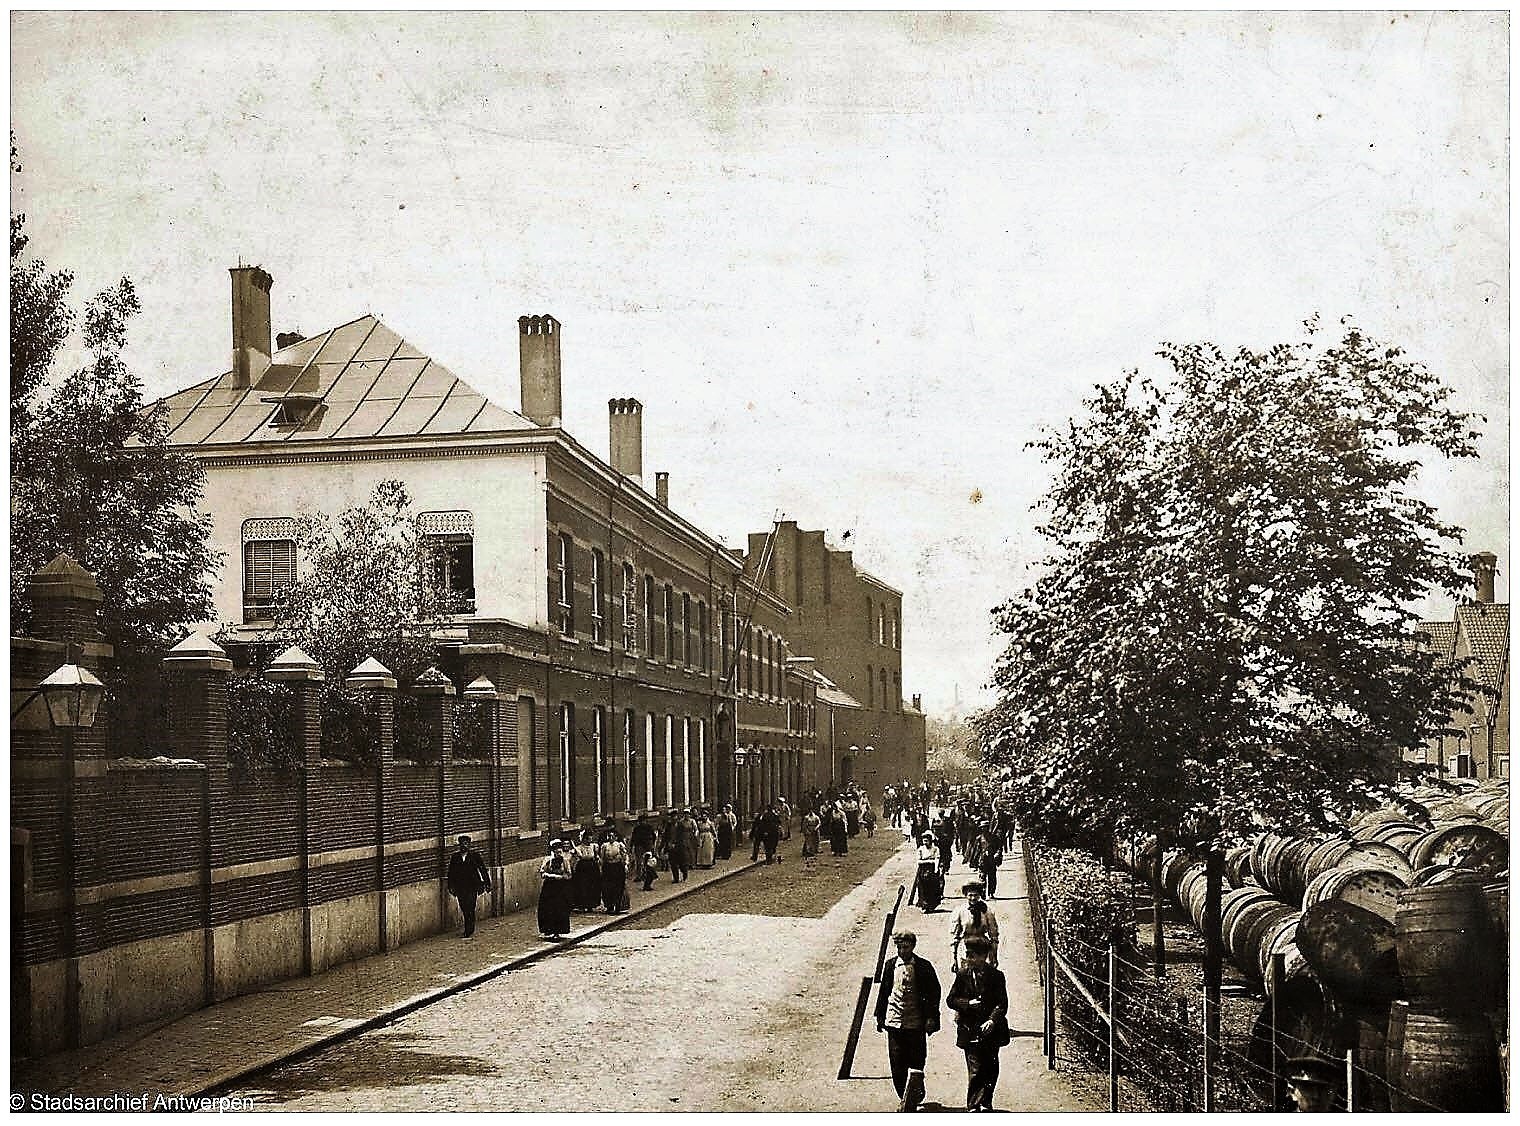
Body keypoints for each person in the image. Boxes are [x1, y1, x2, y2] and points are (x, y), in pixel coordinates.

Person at [874, 931, 942, 1112]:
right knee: (897, 1063)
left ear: (913, 946)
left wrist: (931, 1018)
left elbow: (934, 994)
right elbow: (884, 993)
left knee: (917, 1061)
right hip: (894, 1021)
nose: (902, 951)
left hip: (916, 1023)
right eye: (899, 947)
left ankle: (915, 1094)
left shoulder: (924, 967)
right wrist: (880, 1017)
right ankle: (904, 1099)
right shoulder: (890, 966)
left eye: (906, 947)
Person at [947, 936, 1009, 1111]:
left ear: (983, 956)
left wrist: (992, 1020)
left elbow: (1002, 1003)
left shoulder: (997, 976)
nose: (968, 958)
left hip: (991, 1031)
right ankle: (973, 1106)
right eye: (967, 954)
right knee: (975, 1069)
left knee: (991, 1067)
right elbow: (950, 1000)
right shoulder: (962, 975)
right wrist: (967, 1004)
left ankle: (986, 1101)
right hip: (970, 1029)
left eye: (972, 955)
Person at [445, 834, 491, 938]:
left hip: (472, 887)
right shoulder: (455, 857)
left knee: (471, 906)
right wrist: (450, 886)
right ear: (459, 845)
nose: (464, 846)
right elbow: (451, 873)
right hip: (460, 887)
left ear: (469, 845)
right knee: (464, 907)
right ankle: (468, 927)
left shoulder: (475, 856)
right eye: (462, 844)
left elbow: (482, 869)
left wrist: (487, 883)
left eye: (466, 843)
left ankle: (469, 929)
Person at [948, 882, 1000, 970]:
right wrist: (954, 959)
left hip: (982, 945)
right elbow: (954, 936)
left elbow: (994, 935)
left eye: (976, 895)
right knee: (963, 974)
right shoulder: (960, 911)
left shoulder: (986, 911)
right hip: (965, 946)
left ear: (980, 895)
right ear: (966, 895)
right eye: (970, 895)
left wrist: (994, 955)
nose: (973, 898)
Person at [537, 840, 573, 939]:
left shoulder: (565, 861)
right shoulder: (548, 860)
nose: (558, 853)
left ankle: (558, 931)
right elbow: (542, 873)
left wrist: (561, 877)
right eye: (556, 850)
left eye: (560, 851)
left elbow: (569, 875)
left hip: (560, 887)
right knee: (548, 908)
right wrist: (550, 875)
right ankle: (549, 930)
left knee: (559, 908)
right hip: (549, 887)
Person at [598, 828, 629, 914]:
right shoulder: (605, 846)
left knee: (618, 887)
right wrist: (601, 868)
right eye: (609, 836)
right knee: (608, 888)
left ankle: (618, 906)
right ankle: (609, 906)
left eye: (612, 836)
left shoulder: (619, 845)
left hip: (618, 868)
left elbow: (625, 856)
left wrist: (625, 865)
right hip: (608, 868)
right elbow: (602, 858)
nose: (610, 838)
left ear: (616, 837)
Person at [571, 829, 601, 910]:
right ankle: (583, 904)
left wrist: (597, 859)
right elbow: (580, 856)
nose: (589, 841)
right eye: (588, 839)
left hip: (592, 867)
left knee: (592, 886)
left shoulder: (594, 846)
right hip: (583, 868)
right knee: (583, 886)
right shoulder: (579, 847)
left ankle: (591, 904)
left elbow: (596, 856)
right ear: (584, 839)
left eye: (590, 839)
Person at [913, 834, 944, 911]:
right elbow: (918, 861)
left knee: (933, 887)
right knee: (923, 888)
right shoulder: (921, 849)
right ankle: (924, 905)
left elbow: (937, 858)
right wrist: (929, 860)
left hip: (932, 869)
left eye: (927, 841)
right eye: (924, 841)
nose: (925, 843)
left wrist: (936, 868)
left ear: (930, 841)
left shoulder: (935, 849)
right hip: (923, 869)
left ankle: (931, 905)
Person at [974, 831, 1004, 899]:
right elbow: (976, 851)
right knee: (982, 878)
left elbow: (999, 848)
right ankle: (983, 893)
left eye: (985, 828)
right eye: (983, 828)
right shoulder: (979, 838)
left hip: (991, 861)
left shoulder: (994, 838)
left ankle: (991, 893)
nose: (984, 829)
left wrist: (997, 854)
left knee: (992, 878)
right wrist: (975, 861)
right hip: (982, 861)